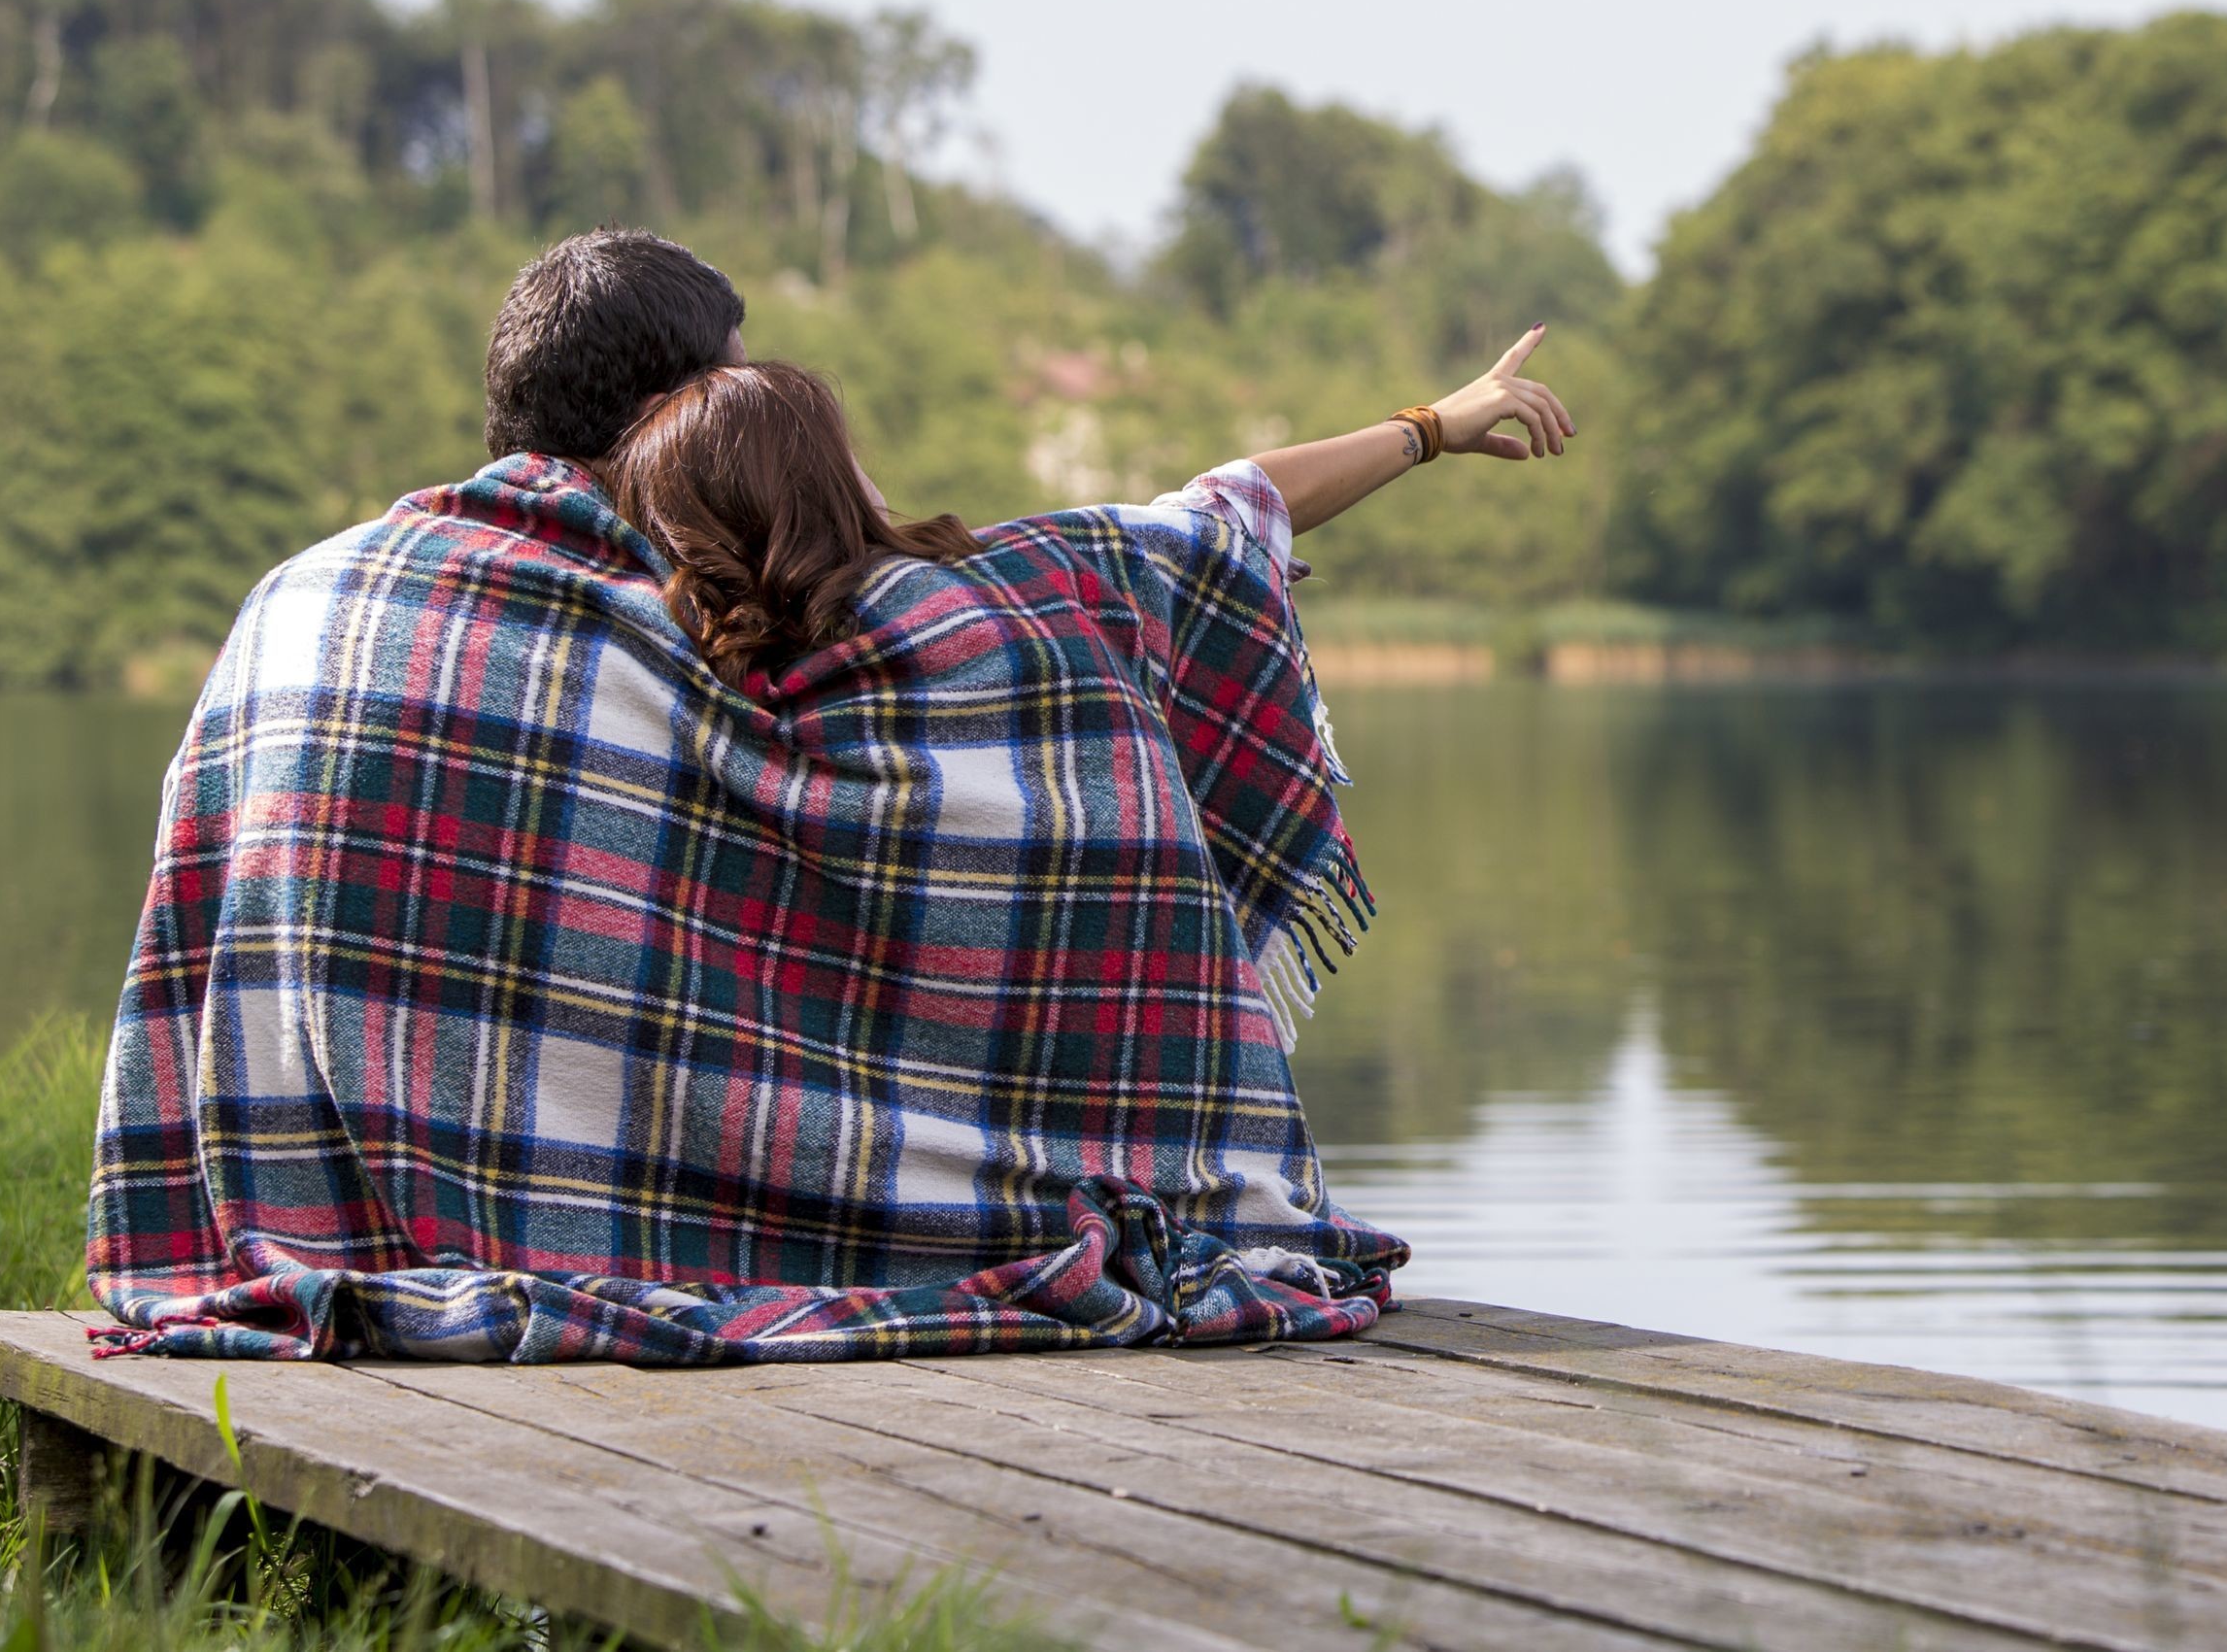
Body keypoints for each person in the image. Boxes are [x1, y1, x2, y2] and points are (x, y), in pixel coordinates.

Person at [85, 227, 1573, 1365]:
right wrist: (1431, 426)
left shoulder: (316, 596)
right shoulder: (912, 619)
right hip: (713, 1243)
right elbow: (1192, 530)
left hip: (310, 1240)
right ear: (692, 405)